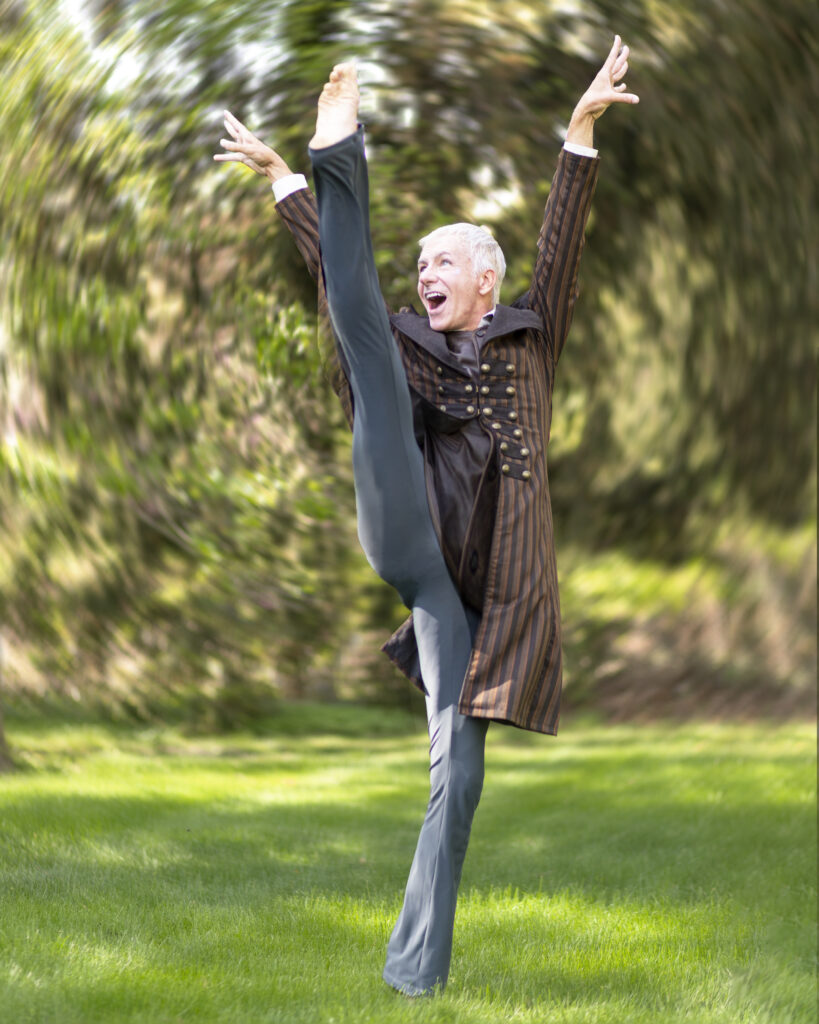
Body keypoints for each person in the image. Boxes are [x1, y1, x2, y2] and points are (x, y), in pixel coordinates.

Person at [215, 40, 638, 997]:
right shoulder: (408, 340)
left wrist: (577, 133)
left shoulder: (530, 340)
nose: (426, 273)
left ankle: (414, 974)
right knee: (359, 334)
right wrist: (292, 183)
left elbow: (559, 248)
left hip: (484, 592)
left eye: (441, 260)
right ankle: (339, 150)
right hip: (408, 519)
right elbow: (349, 281)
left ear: (486, 280)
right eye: (420, 262)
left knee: (458, 778)